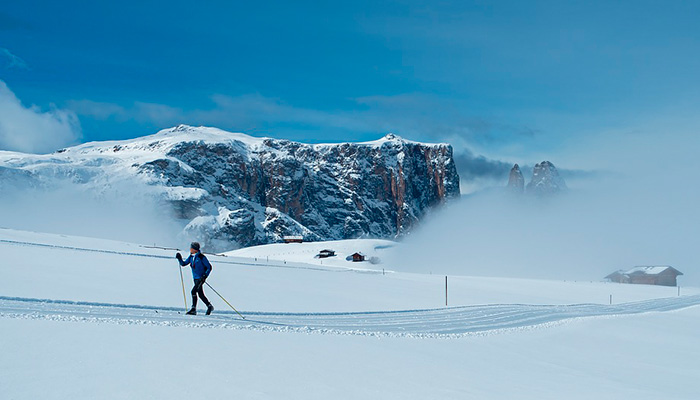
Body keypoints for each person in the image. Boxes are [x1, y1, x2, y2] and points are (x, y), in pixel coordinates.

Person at [176, 242, 214, 315]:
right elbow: (183, 264)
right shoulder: (191, 257)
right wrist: (179, 259)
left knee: (193, 291)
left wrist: (205, 276)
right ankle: (209, 306)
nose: (190, 249)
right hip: (195, 278)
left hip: (201, 278)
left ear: (195, 249)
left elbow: (209, 267)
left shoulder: (201, 257)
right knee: (200, 294)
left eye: (191, 248)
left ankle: (193, 309)